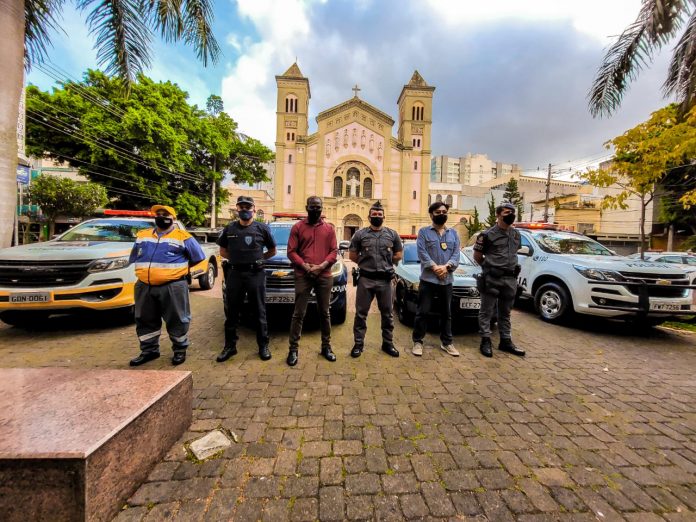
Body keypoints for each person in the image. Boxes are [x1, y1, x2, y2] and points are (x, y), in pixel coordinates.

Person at [128, 205, 205, 367]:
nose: (162, 216)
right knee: (144, 318)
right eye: (159, 214)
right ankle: (149, 351)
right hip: (144, 286)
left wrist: (180, 269)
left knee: (177, 318)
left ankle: (179, 350)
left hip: (173, 286)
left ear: (173, 218)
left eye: (166, 214)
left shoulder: (183, 237)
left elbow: (198, 257)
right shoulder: (142, 236)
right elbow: (135, 256)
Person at [216, 196, 276, 362]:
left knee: (259, 311)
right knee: (232, 311)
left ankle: (263, 346)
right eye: (241, 207)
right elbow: (223, 251)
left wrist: (259, 259)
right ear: (237, 209)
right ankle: (230, 347)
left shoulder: (262, 228)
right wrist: (238, 259)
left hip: (255, 274)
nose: (244, 210)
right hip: (235, 274)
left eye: (247, 207)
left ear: (254, 210)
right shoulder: (229, 229)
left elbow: (272, 250)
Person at [286, 196, 339, 366]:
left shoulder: (329, 229)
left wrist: (321, 266)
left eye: (318, 207)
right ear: (306, 207)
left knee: (324, 312)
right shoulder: (298, 227)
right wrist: (306, 267)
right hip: (303, 275)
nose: (315, 209)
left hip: (323, 276)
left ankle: (326, 347)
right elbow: (291, 251)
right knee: (298, 313)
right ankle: (293, 349)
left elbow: (333, 251)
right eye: (312, 207)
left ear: (322, 208)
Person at [349, 202, 403, 358]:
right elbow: (352, 255)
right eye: (374, 214)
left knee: (387, 314)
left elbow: (398, 254)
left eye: (380, 214)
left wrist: (385, 262)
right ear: (369, 216)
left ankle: (388, 344)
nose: (377, 216)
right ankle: (358, 344)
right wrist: (367, 262)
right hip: (366, 279)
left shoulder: (392, 234)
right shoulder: (360, 234)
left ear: (384, 217)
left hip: (386, 281)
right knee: (360, 314)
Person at [473, 202, 526, 358]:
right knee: (486, 311)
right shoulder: (486, 235)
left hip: (510, 279)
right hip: (492, 279)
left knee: (506, 312)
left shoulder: (516, 234)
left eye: (512, 212)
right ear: (498, 215)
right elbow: (477, 256)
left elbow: (514, 252)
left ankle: (505, 341)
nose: (510, 214)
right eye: (506, 212)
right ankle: (485, 340)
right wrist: (490, 268)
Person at [412, 201, 461, 357]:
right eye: (438, 212)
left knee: (446, 313)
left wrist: (446, 267)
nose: (442, 214)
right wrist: (435, 268)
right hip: (428, 280)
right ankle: (418, 342)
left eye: (444, 212)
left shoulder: (453, 234)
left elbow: (456, 254)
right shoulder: (424, 232)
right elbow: (422, 253)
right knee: (422, 312)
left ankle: (447, 342)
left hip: (447, 280)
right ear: (431, 214)